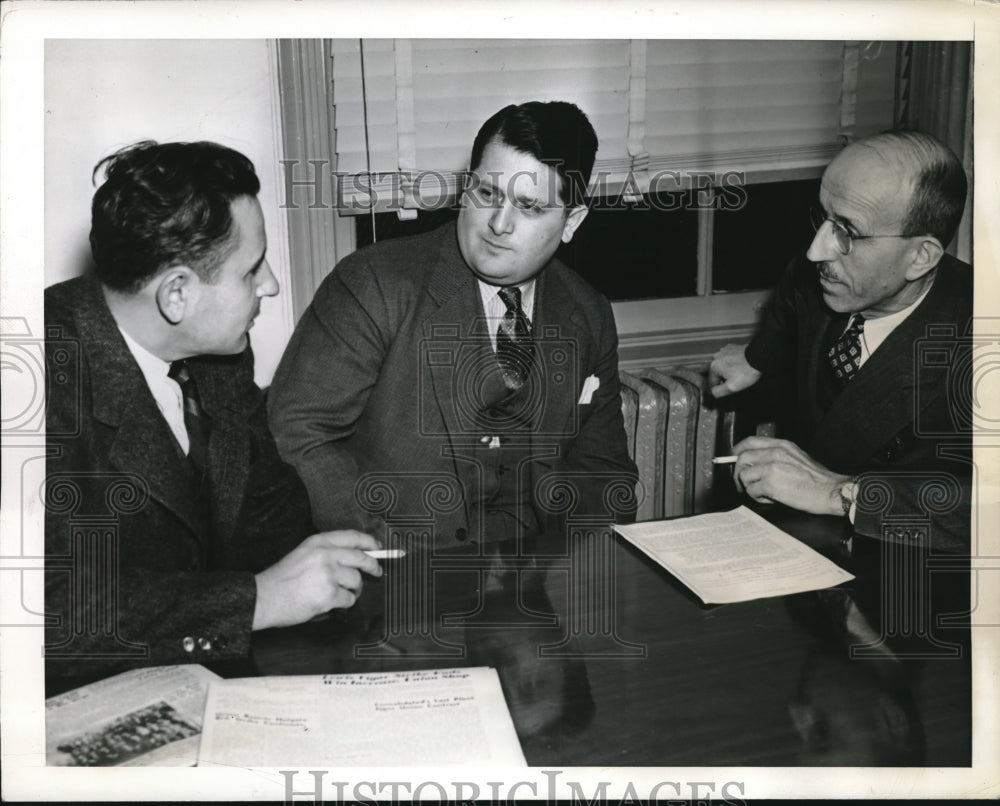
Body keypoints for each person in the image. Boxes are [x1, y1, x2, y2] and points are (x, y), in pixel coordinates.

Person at [45, 141, 382, 687]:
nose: (270, 284)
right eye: (251, 271)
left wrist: (317, 567)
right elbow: (43, 610)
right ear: (176, 294)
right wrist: (256, 600)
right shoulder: (34, 379)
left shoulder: (216, 354)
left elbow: (270, 514)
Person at [268, 101, 637, 548]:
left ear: (571, 222)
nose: (499, 224)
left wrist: (571, 572)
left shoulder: (588, 312)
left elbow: (604, 470)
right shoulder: (374, 284)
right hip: (399, 573)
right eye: (486, 194)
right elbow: (298, 434)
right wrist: (382, 553)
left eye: (529, 207)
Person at [709, 130, 971, 551]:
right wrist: (758, 357)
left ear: (920, 256)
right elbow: (793, 292)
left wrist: (840, 493)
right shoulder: (830, 275)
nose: (816, 251)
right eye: (823, 218)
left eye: (847, 230)